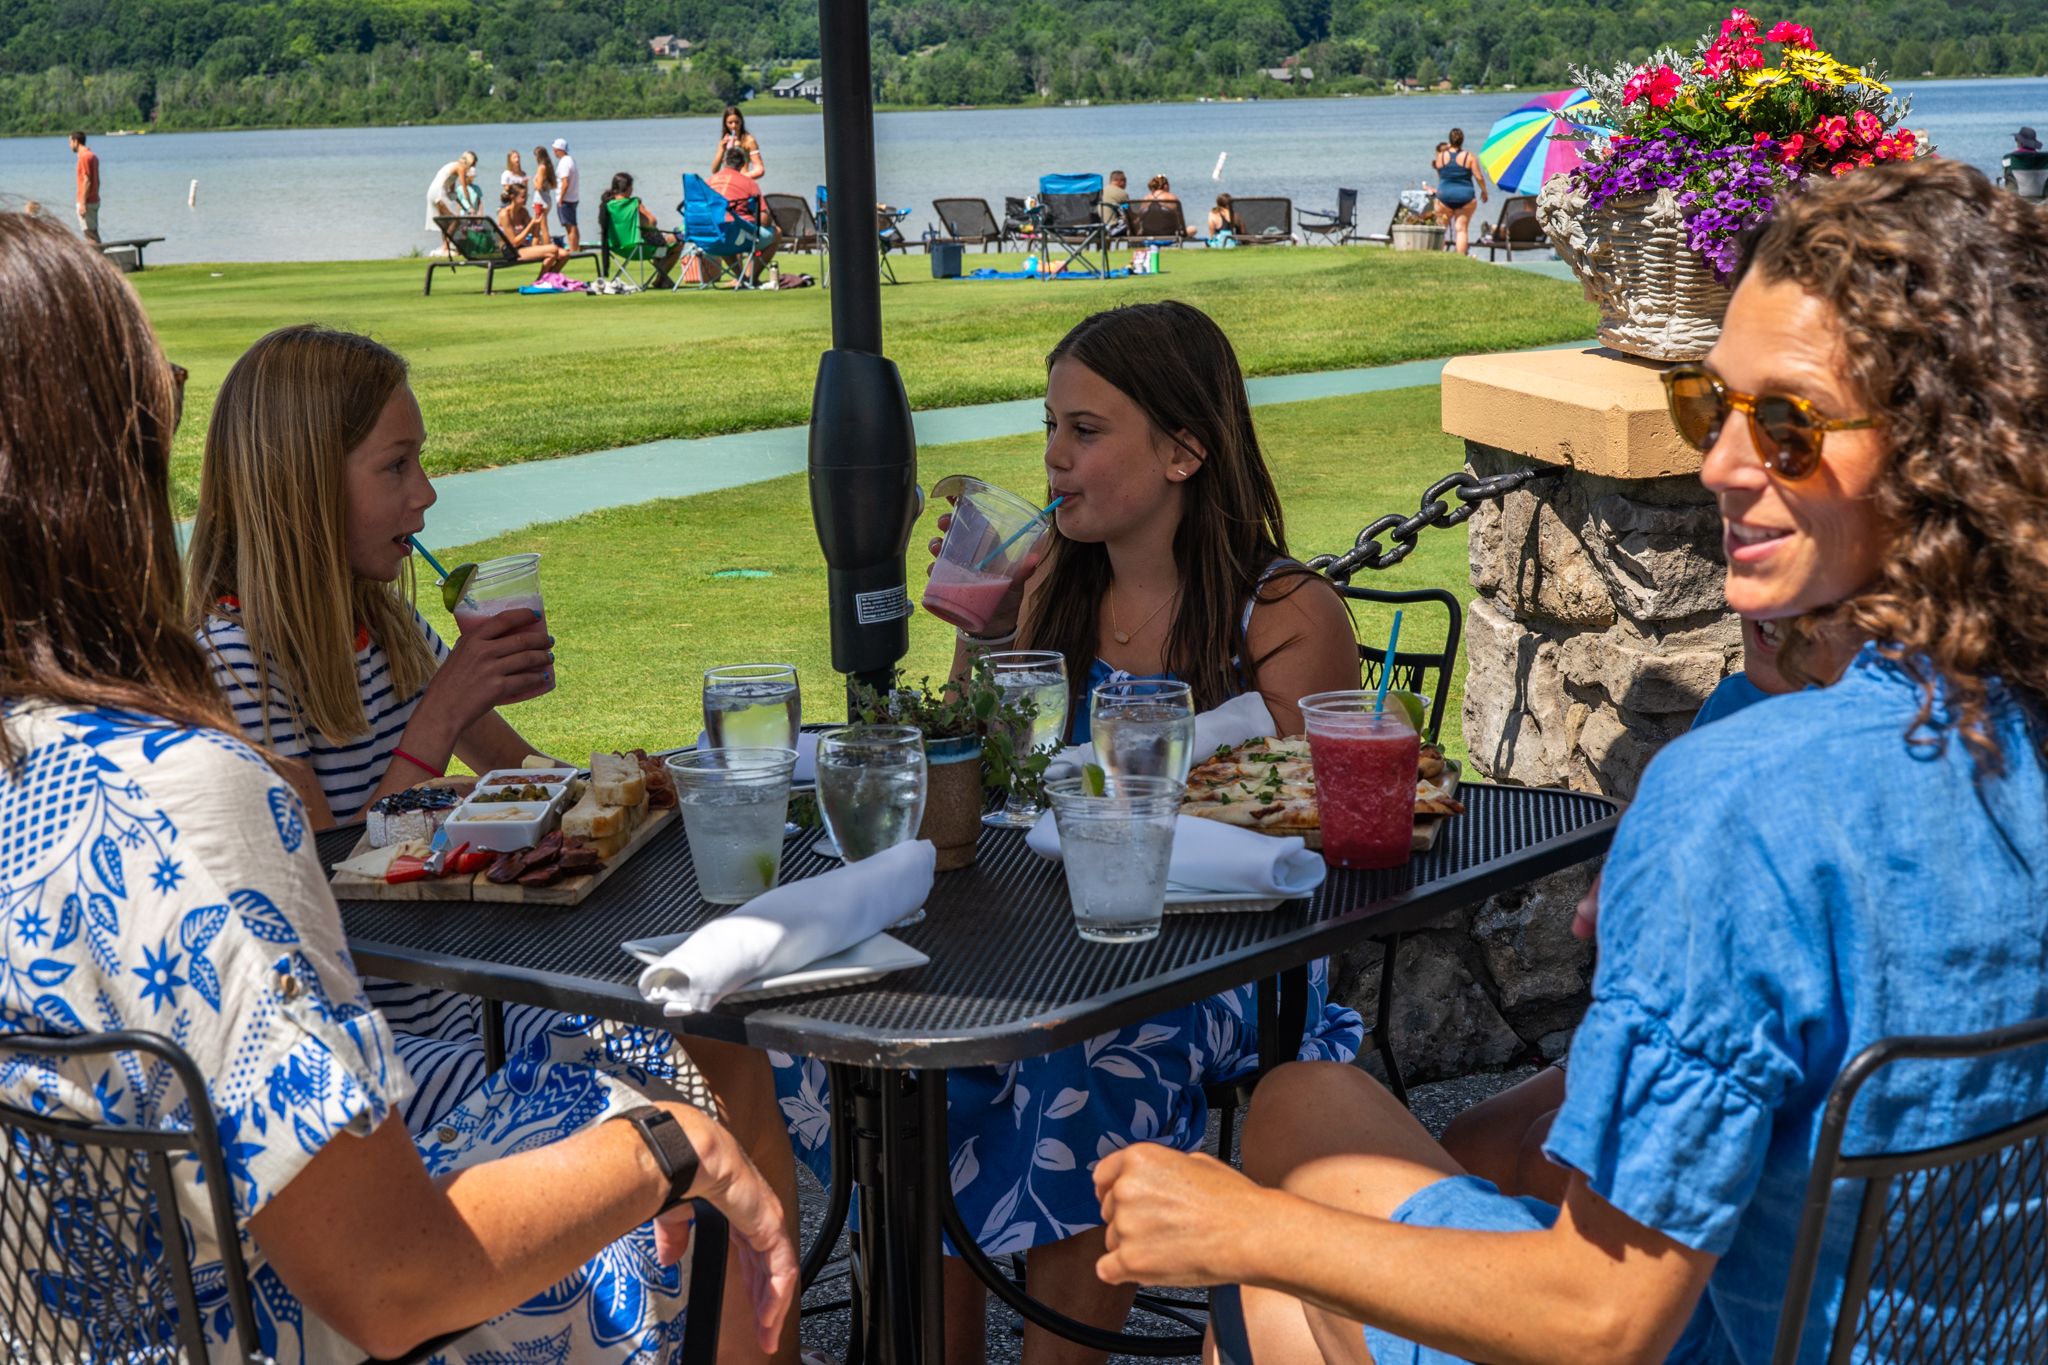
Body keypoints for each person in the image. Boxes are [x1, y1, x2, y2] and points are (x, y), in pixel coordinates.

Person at [1091, 158, 2048, 1365]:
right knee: (1304, 1102)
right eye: (1715, 409)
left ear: (1946, 451)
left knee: (1274, 1261)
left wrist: (1239, 1228)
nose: (1719, 467)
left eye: (1789, 427)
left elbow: (1601, 1317)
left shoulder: (1743, 807)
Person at [0, 212, 799, 1364]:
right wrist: (667, 1151)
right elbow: (386, 1276)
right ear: (103, 463)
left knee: (708, 1053)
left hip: (92, 1315)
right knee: (684, 1087)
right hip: (268, 1312)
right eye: (161, 400)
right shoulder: (177, 790)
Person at [186, 322, 801, 1365]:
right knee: (681, 1085)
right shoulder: (225, 666)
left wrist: (628, 781)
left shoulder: (383, 628)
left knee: (722, 1046)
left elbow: (529, 782)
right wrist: (434, 727)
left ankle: (767, 1342)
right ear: (298, 484)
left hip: (465, 1007)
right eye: (397, 466)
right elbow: (310, 898)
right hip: (373, 1059)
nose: (426, 496)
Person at [773, 301, 1366, 1365]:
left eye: (1084, 432)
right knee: (885, 1054)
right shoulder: (1048, 595)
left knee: (1083, 1057)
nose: (1051, 458)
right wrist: (980, 632)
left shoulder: (1282, 617)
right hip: (1032, 937)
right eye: (1048, 426)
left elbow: (1298, 836)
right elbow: (978, 786)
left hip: (1215, 962)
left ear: (1183, 450)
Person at [1437, 611, 1795, 1206]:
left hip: (1744, 1045)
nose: (1748, 594)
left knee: (1551, 1155)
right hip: (1661, 1014)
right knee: (1473, 1141)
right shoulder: (1735, 702)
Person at [708, 143, 781, 284]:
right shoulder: (748, 183)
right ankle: (750, 278)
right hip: (735, 237)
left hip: (709, 238)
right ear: (743, 164)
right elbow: (764, 220)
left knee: (724, 229)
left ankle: (740, 277)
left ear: (724, 162)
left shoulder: (709, 182)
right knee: (776, 233)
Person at [599, 171, 684, 287]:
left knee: (658, 243)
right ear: (629, 188)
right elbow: (652, 222)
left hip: (617, 248)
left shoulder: (606, 205)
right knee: (677, 243)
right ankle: (660, 279)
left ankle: (663, 279)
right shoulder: (634, 203)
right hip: (639, 248)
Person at [1433, 127, 1489, 254]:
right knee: (1461, 229)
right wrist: (1484, 191)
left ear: (1449, 140)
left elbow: (1440, 174)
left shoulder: (1440, 156)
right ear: (1462, 140)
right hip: (1465, 197)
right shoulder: (1469, 157)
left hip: (1444, 197)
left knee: (1441, 229)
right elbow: (1479, 177)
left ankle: (1438, 256)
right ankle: (1460, 257)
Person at [497, 181, 567, 274]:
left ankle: (547, 280)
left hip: (523, 247)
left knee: (564, 254)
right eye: (523, 197)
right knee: (553, 250)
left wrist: (539, 219)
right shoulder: (504, 214)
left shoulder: (523, 212)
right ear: (512, 197)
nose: (525, 199)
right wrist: (531, 224)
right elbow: (514, 243)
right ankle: (540, 282)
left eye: (527, 196)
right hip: (511, 251)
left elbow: (535, 234)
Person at [425, 149, 476, 252]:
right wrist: (470, 206)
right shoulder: (460, 168)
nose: (471, 168)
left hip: (432, 192)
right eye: (472, 165)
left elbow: (451, 189)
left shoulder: (454, 165)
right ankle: (445, 247)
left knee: (446, 222)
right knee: (454, 221)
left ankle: (446, 247)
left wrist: (457, 199)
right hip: (438, 193)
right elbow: (464, 187)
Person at [710, 106, 765, 179]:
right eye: (730, 123)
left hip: (743, 181)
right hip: (728, 181)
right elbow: (714, 170)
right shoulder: (724, 141)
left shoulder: (749, 141)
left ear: (741, 121)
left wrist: (740, 178)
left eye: (737, 122)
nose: (733, 126)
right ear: (725, 124)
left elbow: (760, 170)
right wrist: (722, 149)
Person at [69, 129, 100, 243]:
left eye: (70, 142)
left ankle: (98, 260)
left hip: (87, 202)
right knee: (93, 233)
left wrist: (82, 203)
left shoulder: (84, 157)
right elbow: (97, 181)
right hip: (94, 200)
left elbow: (87, 181)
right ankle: (99, 259)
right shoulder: (93, 156)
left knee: (89, 235)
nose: (69, 145)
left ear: (76, 141)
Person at [2003, 124, 2048, 200]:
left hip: (2018, 201)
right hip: (2043, 199)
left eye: (2016, 139)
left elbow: (2007, 176)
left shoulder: (2009, 158)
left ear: (2020, 142)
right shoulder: (2045, 159)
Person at [553, 136, 582, 252]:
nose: (554, 152)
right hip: (573, 198)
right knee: (573, 224)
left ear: (560, 150)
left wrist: (561, 198)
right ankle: (576, 247)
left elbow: (565, 182)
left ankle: (573, 249)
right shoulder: (571, 160)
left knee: (570, 227)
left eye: (555, 150)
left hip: (566, 199)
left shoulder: (564, 162)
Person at [530, 143, 559, 244]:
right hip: (546, 198)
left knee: (542, 226)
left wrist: (533, 180)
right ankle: (537, 247)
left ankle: (546, 247)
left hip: (540, 200)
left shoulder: (541, 167)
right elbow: (553, 185)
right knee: (538, 226)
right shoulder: (549, 167)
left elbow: (538, 186)